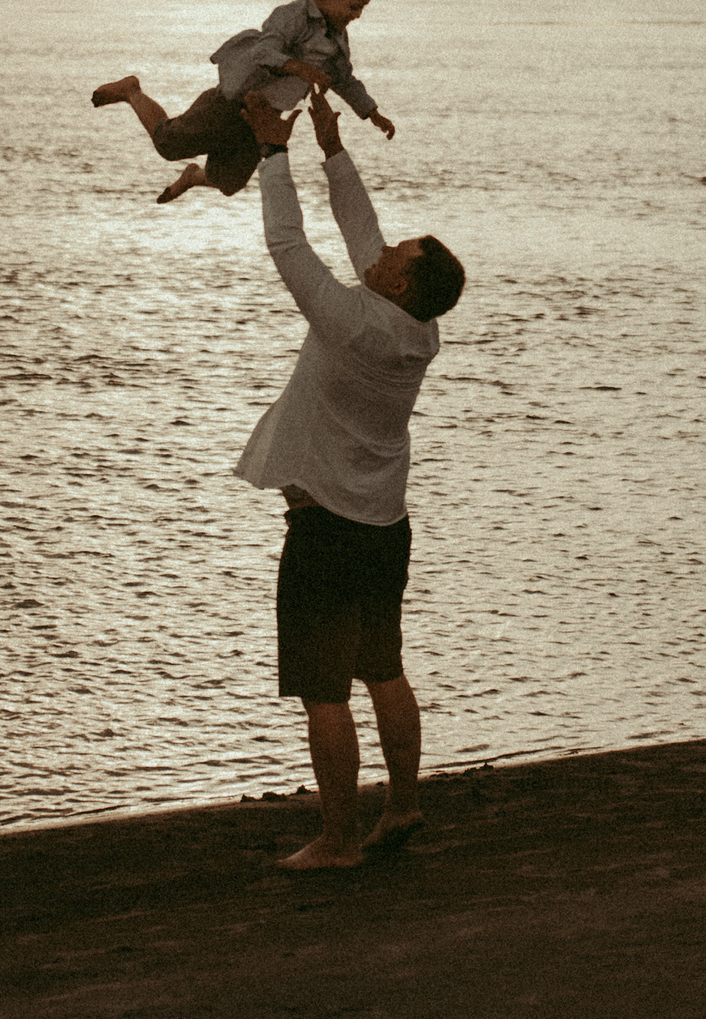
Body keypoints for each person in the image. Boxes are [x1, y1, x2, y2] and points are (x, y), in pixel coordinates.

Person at [233, 91, 466, 869]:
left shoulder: (353, 321)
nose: (384, 248)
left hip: (327, 527)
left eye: (397, 254)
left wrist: (273, 152)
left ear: (397, 285)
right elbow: (364, 234)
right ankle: (402, 806)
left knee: (324, 691)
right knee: (384, 669)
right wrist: (332, 150)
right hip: (384, 527)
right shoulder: (418, 327)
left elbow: (287, 244)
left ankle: (338, 839)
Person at [92, 0, 398, 204]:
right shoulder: (293, 17)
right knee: (168, 145)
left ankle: (193, 176)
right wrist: (297, 66)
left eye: (362, 8)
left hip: (261, 120)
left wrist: (371, 112)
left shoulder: (337, 38)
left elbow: (344, 79)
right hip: (229, 103)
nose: (358, 15)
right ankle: (132, 91)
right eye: (354, 6)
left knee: (229, 182)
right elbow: (263, 51)